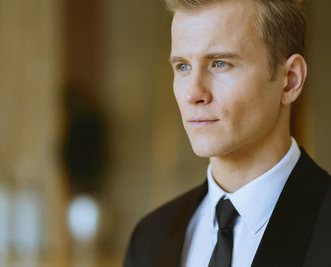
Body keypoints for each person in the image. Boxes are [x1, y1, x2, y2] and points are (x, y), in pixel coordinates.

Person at [123, 0, 331, 266]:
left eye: (220, 63)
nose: (193, 93)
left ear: (289, 79)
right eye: (183, 66)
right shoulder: (148, 239)